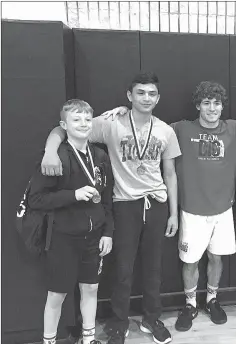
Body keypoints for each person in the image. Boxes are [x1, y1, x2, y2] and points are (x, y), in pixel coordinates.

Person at [101, 81, 236, 333]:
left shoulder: (234, 129)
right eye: (207, 103)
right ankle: (190, 303)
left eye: (217, 103)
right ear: (198, 105)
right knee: (190, 261)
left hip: (223, 209)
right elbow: (148, 124)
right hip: (191, 209)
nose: (212, 108)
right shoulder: (179, 129)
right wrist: (122, 111)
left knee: (215, 257)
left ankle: (212, 300)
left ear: (223, 106)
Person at [40, 72, 181, 344]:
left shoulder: (165, 130)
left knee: (154, 268)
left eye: (152, 93)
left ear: (158, 98)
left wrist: (174, 213)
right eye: (140, 92)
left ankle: (152, 319)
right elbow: (64, 129)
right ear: (130, 96)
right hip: (124, 203)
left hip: (157, 204)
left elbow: (171, 173)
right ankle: (119, 322)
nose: (146, 98)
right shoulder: (111, 123)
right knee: (123, 268)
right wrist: (49, 150)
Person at [29, 99, 114, 344]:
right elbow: (36, 199)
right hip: (62, 238)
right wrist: (72, 195)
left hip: (93, 237)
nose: (83, 124)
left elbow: (106, 199)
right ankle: (49, 341)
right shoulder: (55, 157)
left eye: (88, 119)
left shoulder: (100, 156)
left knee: (91, 289)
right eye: (76, 120)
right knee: (57, 295)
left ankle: (88, 338)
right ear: (63, 125)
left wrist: (107, 232)